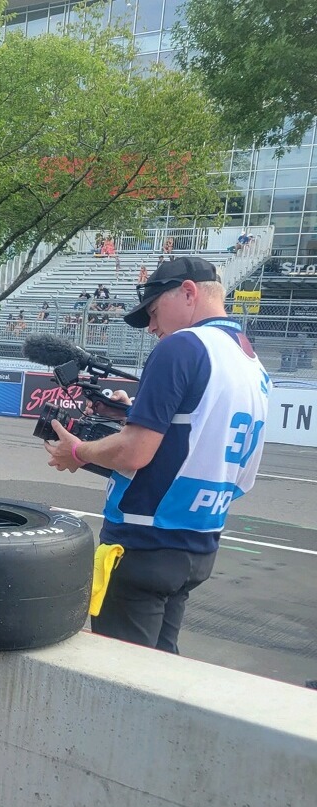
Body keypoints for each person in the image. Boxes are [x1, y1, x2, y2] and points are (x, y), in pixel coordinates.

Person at [44, 257, 269, 653]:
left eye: (152, 311)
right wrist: (131, 413)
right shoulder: (250, 361)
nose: (151, 327)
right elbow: (219, 454)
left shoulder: (182, 346)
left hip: (143, 541)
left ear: (187, 291)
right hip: (198, 542)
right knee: (162, 670)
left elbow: (134, 453)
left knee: (121, 678)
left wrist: (77, 451)